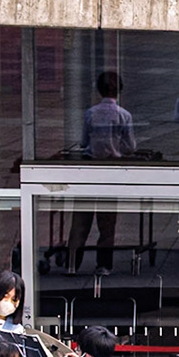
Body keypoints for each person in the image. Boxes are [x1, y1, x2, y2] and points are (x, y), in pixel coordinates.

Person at [67, 71, 136, 275]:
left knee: (80, 221)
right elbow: (131, 146)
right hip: (110, 171)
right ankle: (103, 265)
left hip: (89, 169)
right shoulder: (124, 115)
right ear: (119, 90)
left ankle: (72, 264)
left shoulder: (91, 113)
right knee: (107, 223)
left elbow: (84, 142)